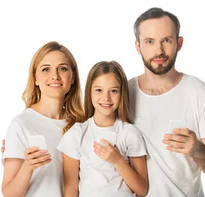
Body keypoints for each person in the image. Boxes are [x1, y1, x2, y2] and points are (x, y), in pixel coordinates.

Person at [129, 7, 205, 197]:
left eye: (166, 40)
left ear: (179, 43)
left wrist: (198, 150)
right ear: (138, 46)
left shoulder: (201, 94)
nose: (159, 50)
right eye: (149, 41)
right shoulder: (121, 94)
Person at [1, 41, 85, 197]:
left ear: (73, 78)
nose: (55, 76)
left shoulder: (81, 124)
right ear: (35, 79)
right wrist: (28, 166)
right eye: (46, 69)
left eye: (63, 68)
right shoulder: (21, 125)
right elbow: (9, 193)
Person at [57, 61, 149, 197]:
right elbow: (71, 188)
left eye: (113, 91)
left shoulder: (129, 134)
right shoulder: (77, 134)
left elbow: (142, 190)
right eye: (99, 90)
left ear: (121, 93)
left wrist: (117, 160)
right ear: (90, 92)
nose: (106, 98)